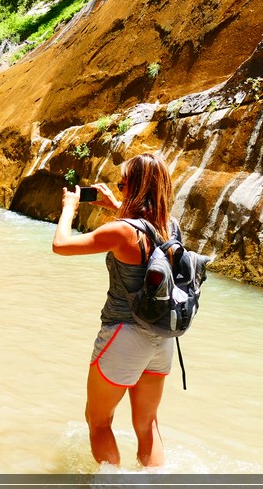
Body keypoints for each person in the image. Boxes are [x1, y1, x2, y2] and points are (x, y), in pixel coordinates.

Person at [51, 152, 176, 468]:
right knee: (148, 424)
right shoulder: (171, 226)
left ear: (134, 188)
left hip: (123, 336)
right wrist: (114, 206)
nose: (118, 189)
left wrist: (69, 209)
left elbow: (61, 245)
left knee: (98, 420)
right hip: (163, 338)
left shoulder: (121, 231)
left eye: (122, 185)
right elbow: (142, 232)